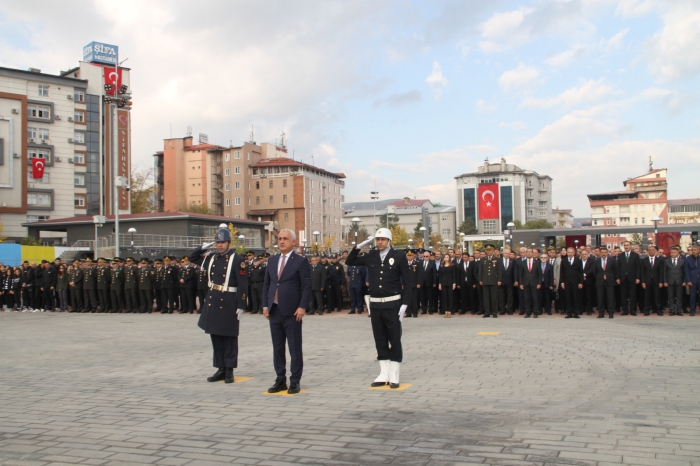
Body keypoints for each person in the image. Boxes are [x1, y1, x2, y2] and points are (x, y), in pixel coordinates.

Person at [346, 228, 410, 389]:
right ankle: (384, 373)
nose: (380, 242)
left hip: (392, 303)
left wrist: (405, 303)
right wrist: (359, 246)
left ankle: (394, 373)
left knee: (394, 338)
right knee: (380, 338)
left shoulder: (399, 256)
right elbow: (350, 261)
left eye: (383, 239)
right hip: (375, 304)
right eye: (378, 239)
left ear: (389, 240)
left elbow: (408, 281)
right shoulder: (371, 256)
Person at [189, 228, 248, 384]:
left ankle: (229, 369)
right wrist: (203, 247)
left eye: (222, 242)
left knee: (229, 337)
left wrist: (241, 304)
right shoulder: (211, 257)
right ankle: (220, 368)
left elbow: (243, 284)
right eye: (217, 242)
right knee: (215, 336)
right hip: (213, 300)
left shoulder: (237, 259)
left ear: (229, 242)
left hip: (229, 300)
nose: (219, 245)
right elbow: (192, 257)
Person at [262, 229, 311, 394]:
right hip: (274, 310)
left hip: (292, 311)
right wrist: (265, 305)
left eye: (285, 239)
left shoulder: (300, 261)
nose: (281, 241)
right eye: (280, 239)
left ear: (293, 242)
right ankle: (280, 379)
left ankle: (295, 381)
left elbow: (306, 286)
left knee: (294, 347)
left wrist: (302, 306)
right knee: (277, 347)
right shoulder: (272, 260)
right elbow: (267, 284)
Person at [479, 244, 503, 318]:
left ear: (493, 251)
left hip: (494, 280)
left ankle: (494, 312)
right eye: (487, 250)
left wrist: (499, 280)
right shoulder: (483, 259)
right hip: (485, 281)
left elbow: (499, 271)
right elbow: (480, 271)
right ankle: (487, 312)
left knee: (494, 297)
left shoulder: (497, 259)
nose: (489, 252)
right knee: (486, 298)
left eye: (490, 250)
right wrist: (480, 279)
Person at [618, 241, 641, 316]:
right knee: (623, 295)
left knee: (632, 295)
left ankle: (633, 310)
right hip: (623, 278)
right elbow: (618, 267)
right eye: (625, 245)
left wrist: (637, 277)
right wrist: (618, 278)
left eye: (627, 245)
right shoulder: (620, 255)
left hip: (632, 278)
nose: (626, 246)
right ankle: (625, 310)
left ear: (630, 246)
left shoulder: (635, 255)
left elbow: (638, 267)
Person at [594, 247, 617, 318]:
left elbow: (615, 271)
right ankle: (601, 313)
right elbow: (594, 272)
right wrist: (599, 277)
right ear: (600, 253)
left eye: (605, 252)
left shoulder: (612, 260)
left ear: (607, 253)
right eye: (602, 252)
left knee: (610, 298)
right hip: (600, 282)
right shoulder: (597, 261)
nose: (603, 254)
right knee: (600, 298)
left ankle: (611, 312)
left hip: (609, 281)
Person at [641, 245, 664, 316]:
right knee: (647, 296)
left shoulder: (659, 260)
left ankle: (658, 310)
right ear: (648, 252)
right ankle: (647, 310)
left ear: (655, 251)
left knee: (657, 296)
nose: (651, 251)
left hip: (656, 281)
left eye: (653, 250)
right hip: (647, 281)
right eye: (650, 250)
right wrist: (643, 282)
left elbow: (661, 272)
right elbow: (642, 272)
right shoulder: (644, 260)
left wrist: (661, 281)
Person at [561, 247, 583, 319]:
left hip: (575, 282)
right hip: (566, 282)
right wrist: (562, 282)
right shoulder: (563, 260)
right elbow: (561, 272)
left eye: (571, 252)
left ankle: (575, 312)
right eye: (569, 252)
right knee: (568, 298)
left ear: (574, 253)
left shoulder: (578, 261)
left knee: (575, 297)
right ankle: (569, 313)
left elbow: (581, 272)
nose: (570, 254)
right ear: (567, 253)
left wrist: (581, 282)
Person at [519, 248, 541, 318]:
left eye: (530, 252)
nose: (528, 253)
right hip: (525, 283)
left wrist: (539, 283)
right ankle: (527, 312)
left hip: (534, 283)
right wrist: (521, 283)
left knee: (535, 298)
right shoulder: (523, 262)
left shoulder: (537, 262)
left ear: (533, 253)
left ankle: (535, 312)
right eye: (527, 252)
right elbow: (521, 274)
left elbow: (540, 274)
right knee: (526, 299)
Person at [664, 246, 686, 316]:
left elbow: (684, 272)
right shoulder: (666, 261)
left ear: (678, 253)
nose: (673, 254)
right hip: (669, 281)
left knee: (679, 297)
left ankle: (679, 310)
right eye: (671, 252)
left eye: (674, 252)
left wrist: (684, 281)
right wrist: (665, 281)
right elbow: (664, 272)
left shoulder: (682, 261)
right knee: (671, 297)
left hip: (679, 281)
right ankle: (672, 310)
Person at [683, 244, 699, 316]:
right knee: (692, 296)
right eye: (692, 250)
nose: (693, 251)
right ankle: (692, 310)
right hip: (692, 280)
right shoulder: (688, 259)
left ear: (698, 250)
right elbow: (686, 270)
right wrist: (688, 280)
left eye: (695, 250)